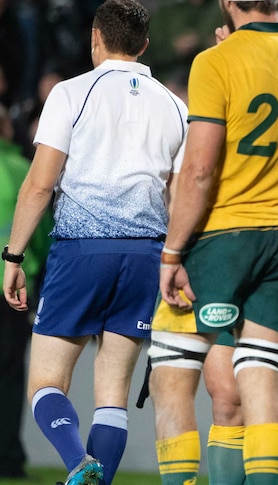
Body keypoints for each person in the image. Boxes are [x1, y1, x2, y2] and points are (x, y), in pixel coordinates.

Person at [147, 1, 278, 484]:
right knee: (255, 382)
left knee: (170, 375)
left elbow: (200, 169)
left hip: (224, 236)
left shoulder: (216, 61)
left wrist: (172, 251)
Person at [1, 1, 188, 484]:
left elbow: (41, 183)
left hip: (82, 251)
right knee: (113, 393)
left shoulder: (71, 92)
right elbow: (180, 192)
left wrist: (14, 256)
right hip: (147, 255)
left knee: (45, 382)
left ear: (95, 38)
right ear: (145, 45)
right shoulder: (173, 104)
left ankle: (76, 461)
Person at [0, 103, 52, 479]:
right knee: (11, 372)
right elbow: (43, 231)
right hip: (14, 287)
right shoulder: (21, 169)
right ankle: (8, 455)